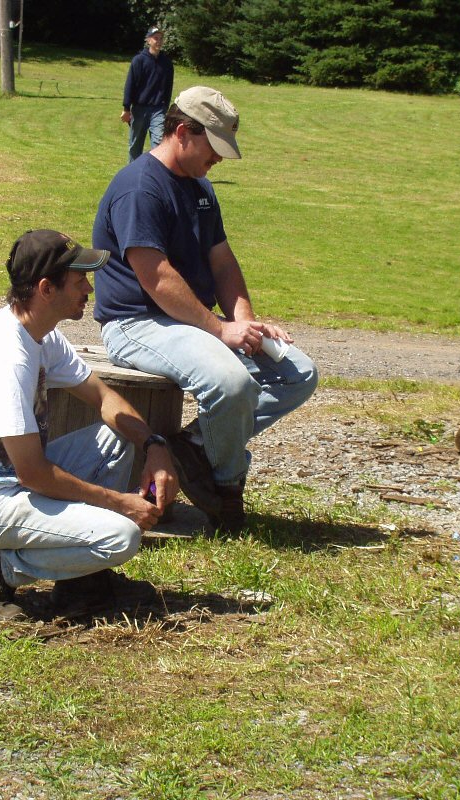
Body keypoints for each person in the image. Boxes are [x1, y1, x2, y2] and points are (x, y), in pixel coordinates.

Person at [93, 86, 319, 532]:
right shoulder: (141, 188)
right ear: (182, 132)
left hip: (190, 322)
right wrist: (219, 330)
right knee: (230, 383)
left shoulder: (199, 185)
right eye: (213, 148)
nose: (218, 159)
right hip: (137, 322)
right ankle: (226, 490)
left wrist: (243, 322)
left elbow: (222, 260)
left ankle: (193, 445)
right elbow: (155, 277)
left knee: (298, 373)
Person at [0, 229, 178, 623]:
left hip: (12, 482)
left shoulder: (40, 334)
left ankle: (82, 581)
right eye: (80, 279)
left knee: (116, 438)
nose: (89, 289)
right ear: (46, 289)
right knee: (122, 535)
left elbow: (102, 398)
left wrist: (154, 446)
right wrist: (118, 504)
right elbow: (34, 474)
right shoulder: (6, 359)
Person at [121, 25, 174, 163]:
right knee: (135, 145)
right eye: (155, 38)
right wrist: (127, 108)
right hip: (139, 109)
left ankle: (157, 173)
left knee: (159, 144)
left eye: (161, 38)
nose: (159, 41)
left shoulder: (167, 63)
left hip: (158, 110)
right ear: (148, 40)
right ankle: (132, 173)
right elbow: (130, 85)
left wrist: (165, 108)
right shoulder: (139, 61)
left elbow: (168, 87)